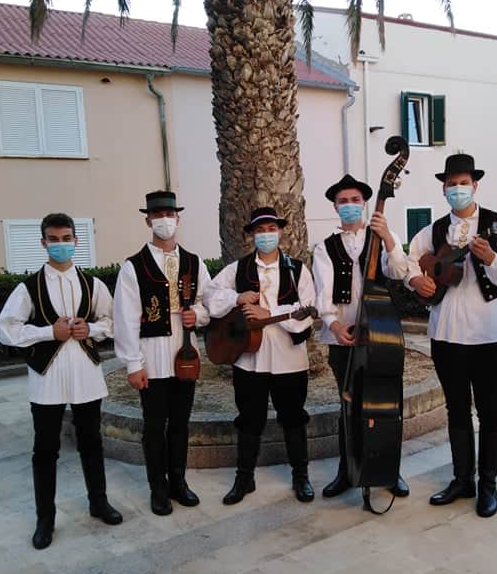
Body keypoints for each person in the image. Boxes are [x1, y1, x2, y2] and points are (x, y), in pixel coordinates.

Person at [406, 153, 497, 517]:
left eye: (464, 183)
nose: (457, 189)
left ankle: (488, 483)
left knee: (490, 409)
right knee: (456, 408)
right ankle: (462, 479)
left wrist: (492, 259)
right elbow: (407, 260)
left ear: (475, 185)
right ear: (443, 189)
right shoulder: (433, 230)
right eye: (451, 184)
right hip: (445, 333)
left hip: (487, 333)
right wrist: (415, 279)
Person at [0, 213, 123, 550]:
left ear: (76, 241)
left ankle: (99, 502)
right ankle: (45, 519)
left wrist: (90, 328)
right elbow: (5, 329)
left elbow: (112, 322)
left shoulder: (93, 285)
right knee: (45, 450)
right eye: (54, 239)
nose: (61, 244)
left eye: (66, 238)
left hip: (85, 375)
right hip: (47, 379)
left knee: (91, 442)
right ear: (43, 242)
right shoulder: (28, 288)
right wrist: (48, 332)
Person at [205, 206, 316, 504]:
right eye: (260, 230)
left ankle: (301, 476)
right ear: (252, 234)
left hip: (290, 359)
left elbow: (307, 309)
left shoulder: (298, 269)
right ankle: (244, 478)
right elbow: (210, 296)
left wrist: (270, 313)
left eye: (271, 229)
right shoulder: (237, 269)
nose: (266, 234)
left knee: (293, 418)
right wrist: (236, 297)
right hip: (249, 359)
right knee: (249, 419)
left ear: (280, 232)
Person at [312, 174, 411, 499]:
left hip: (380, 335)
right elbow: (323, 292)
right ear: (335, 207)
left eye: (355, 200)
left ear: (365, 203)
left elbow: (399, 271)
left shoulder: (381, 236)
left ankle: (389, 470)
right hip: (343, 337)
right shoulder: (325, 247)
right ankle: (347, 470)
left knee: (387, 404)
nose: (350, 206)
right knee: (349, 405)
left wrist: (389, 239)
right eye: (343, 201)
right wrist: (334, 325)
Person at [113, 191, 211, 516]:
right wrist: (133, 364)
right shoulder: (133, 267)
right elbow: (125, 318)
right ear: (148, 221)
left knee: (181, 423)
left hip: (185, 355)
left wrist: (198, 315)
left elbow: (208, 301)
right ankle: (158, 487)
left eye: (169, 214)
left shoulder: (194, 262)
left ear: (178, 219)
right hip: (151, 357)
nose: (164, 220)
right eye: (158, 215)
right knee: (155, 426)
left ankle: (179, 482)